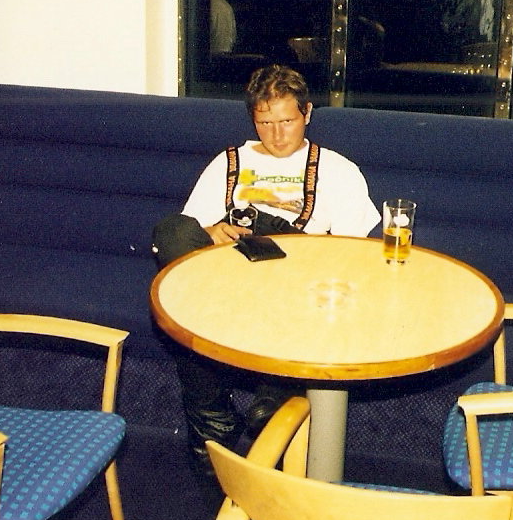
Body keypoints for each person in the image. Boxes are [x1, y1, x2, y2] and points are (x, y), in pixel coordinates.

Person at [152, 64, 379, 475]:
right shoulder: (228, 162)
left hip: (294, 277)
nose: (276, 135)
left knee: (265, 235)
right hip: (227, 276)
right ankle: (220, 414)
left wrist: (282, 238)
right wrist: (213, 231)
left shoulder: (338, 170)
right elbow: (187, 234)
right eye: (265, 123)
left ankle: (270, 393)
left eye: (286, 121)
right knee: (171, 232)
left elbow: (351, 255)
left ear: (307, 113)